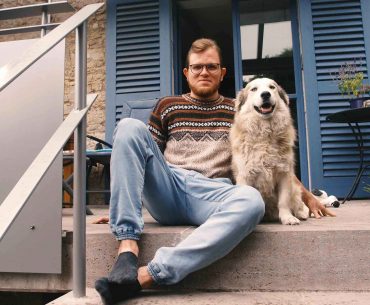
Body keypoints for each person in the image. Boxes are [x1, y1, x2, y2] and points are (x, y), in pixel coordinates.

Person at [95, 38, 335, 305]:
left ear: (222, 73)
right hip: (169, 184)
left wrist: (304, 194)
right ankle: (127, 247)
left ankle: (150, 274)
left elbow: (273, 156)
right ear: (186, 73)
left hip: (212, 193)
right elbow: (140, 155)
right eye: (197, 67)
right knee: (129, 126)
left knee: (250, 200)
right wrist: (121, 203)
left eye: (211, 66)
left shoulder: (242, 108)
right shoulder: (167, 106)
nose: (204, 72)